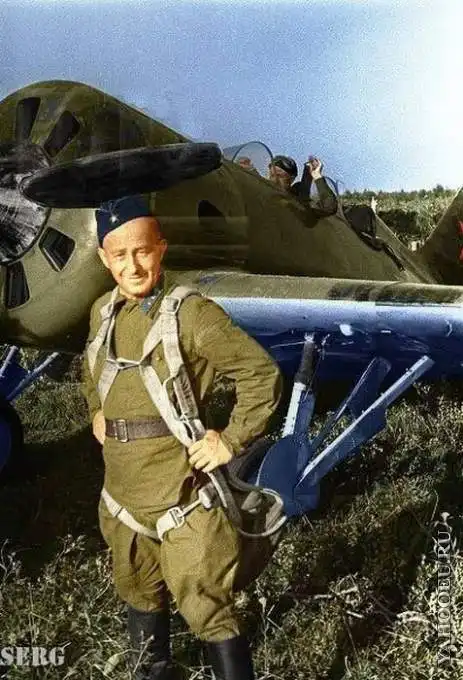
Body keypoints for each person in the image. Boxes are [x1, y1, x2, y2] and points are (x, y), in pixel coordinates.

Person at [81, 195, 283, 680]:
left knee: (206, 606)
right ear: (104, 258)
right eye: (120, 255)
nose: (133, 266)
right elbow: (90, 370)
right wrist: (96, 411)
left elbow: (261, 374)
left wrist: (230, 440)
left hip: (183, 501)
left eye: (143, 251)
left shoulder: (190, 315)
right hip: (123, 501)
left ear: (162, 248)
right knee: (137, 590)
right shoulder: (102, 313)